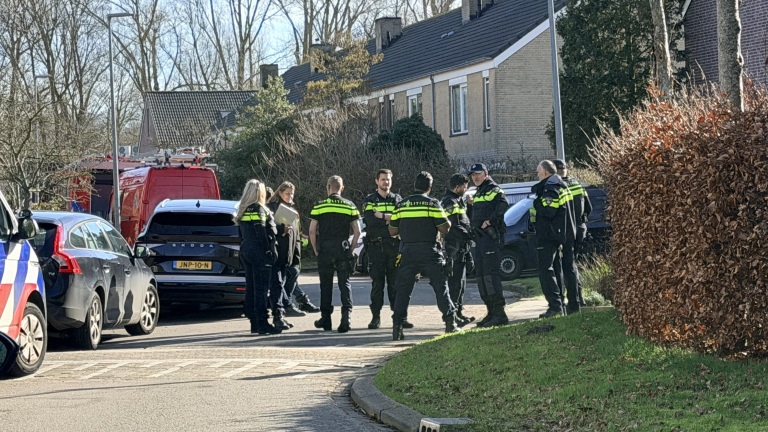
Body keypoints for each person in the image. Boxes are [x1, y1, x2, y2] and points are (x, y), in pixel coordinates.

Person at [389, 171, 459, 341]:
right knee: (441, 287)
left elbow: (392, 231)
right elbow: (444, 228)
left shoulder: (402, 205)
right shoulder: (432, 204)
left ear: (415, 185)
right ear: (429, 187)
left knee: (403, 291)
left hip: (407, 252)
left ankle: (397, 327)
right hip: (430, 252)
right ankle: (450, 323)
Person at [309, 175, 361, 333]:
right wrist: (351, 249)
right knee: (344, 283)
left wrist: (316, 249)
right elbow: (357, 231)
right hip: (342, 249)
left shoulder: (319, 206)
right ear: (342, 188)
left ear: (328, 187)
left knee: (325, 285)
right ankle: (346, 317)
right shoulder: (350, 205)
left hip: (325, 249)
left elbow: (312, 231)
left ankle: (326, 319)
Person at [361, 169, 411, 330]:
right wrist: (390, 218)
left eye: (388, 179)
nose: (386, 182)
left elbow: (402, 219)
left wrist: (382, 216)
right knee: (377, 284)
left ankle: (400, 318)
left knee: (395, 284)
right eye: (383, 179)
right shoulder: (370, 200)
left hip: (394, 247)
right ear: (377, 181)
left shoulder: (398, 199)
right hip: (376, 247)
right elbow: (370, 221)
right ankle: (375, 318)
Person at [267, 182, 320, 318]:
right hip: (279, 250)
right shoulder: (272, 208)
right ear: (280, 193)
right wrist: (281, 229)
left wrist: (298, 247)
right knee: (280, 280)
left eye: (292, 194)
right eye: (287, 193)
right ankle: (286, 305)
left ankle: (286, 304)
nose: (290, 196)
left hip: (292, 251)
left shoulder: (293, 210)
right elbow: (269, 229)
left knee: (292, 274)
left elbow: (296, 232)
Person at [236, 179, 281, 335]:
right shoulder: (259, 209)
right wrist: (269, 251)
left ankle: (254, 322)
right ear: (259, 193)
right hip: (259, 251)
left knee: (251, 287)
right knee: (261, 289)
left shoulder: (243, 209)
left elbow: (241, 232)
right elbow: (261, 231)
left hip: (246, 249)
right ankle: (263, 323)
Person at [468, 163, 510, 327]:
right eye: (473, 175)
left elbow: (503, 205)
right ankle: (491, 312)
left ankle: (500, 314)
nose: (475, 177)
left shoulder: (493, 189)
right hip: (480, 240)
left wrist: (490, 221)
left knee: (491, 276)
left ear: (485, 173)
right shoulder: (479, 191)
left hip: (490, 240)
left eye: (477, 174)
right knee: (481, 277)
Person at [530, 160, 569, 318]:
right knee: (556, 269)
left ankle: (555, 306)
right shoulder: (559, 185)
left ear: (545, 172)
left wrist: (537, 203)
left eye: (538, 171)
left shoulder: (549, 188)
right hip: (555, 234)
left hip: (547, 235)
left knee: (545, 270)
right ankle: (560, 304)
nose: (537, 174)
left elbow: (548, 211)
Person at [552, 159, 591, 314]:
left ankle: (572, 301)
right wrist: (582, 222)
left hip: (567, 230)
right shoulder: (577, 184)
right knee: (572, 264)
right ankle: (579, 297)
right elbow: (588, 207)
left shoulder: (560, 186)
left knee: (566, 266)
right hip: (580, 229)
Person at [441, 173, 475, 327]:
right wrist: (470, 235)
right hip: (453, 247)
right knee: (455, 284)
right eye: (464, 187)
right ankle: (453, 316)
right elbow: (454, 226)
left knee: (461, 284)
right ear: (457, 187)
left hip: (462, 247)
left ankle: (459, 313)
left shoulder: (458, 201)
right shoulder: (449, 201)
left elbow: (466, 220)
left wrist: (470, 206)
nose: (465, 189)